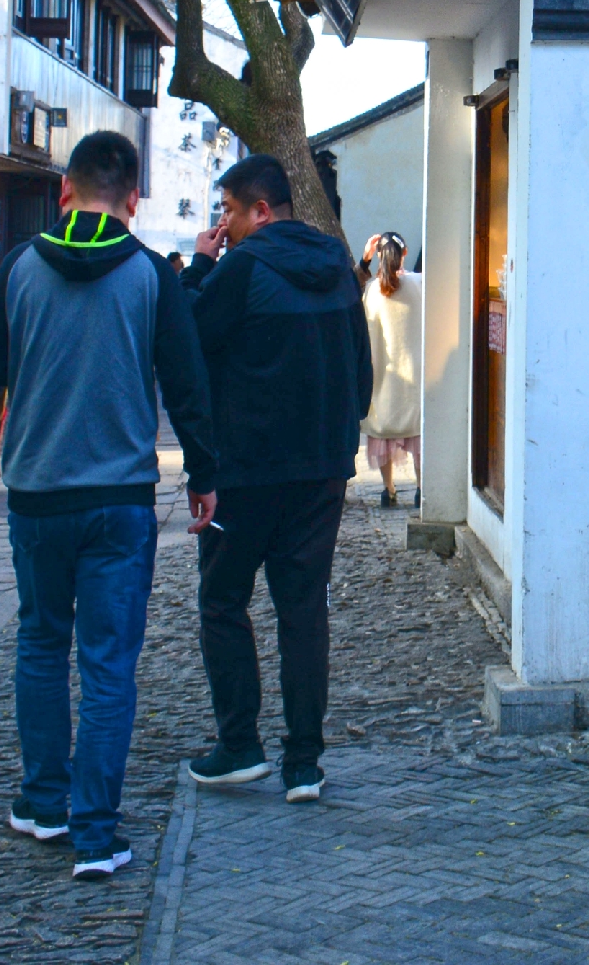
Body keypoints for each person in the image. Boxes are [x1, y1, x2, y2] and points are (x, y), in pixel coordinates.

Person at [0, 130, 217, 881]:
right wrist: (203, 474)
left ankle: (43, 800)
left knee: (42, 643)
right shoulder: (149, 275)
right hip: (119, 499)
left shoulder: (16, 268)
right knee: (109, 662)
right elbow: (186, 383)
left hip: (37, 495)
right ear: (133, 202)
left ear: (65, 192)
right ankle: (96, 832)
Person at [180, 154, 372, 805]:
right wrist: (341, 436)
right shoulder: (339, 268)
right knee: (303, 608)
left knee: (223, 601)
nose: (224, 225)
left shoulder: (242, 268)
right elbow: (362, 369)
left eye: (229, 211)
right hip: (320, 469)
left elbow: (189, 342)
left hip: (247, 470)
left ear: (261, 210)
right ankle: (304, 763)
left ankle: (239, 744)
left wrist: (201, 267)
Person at [357, 232, 422, 509]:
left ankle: (388, 488)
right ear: (404, 253)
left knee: (383, 431)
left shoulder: (372, 289)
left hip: (383, 375)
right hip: (415, 373)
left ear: (379, 256)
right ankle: (422, 488)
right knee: (419, 433)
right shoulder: (419, 284)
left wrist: (364, 259)